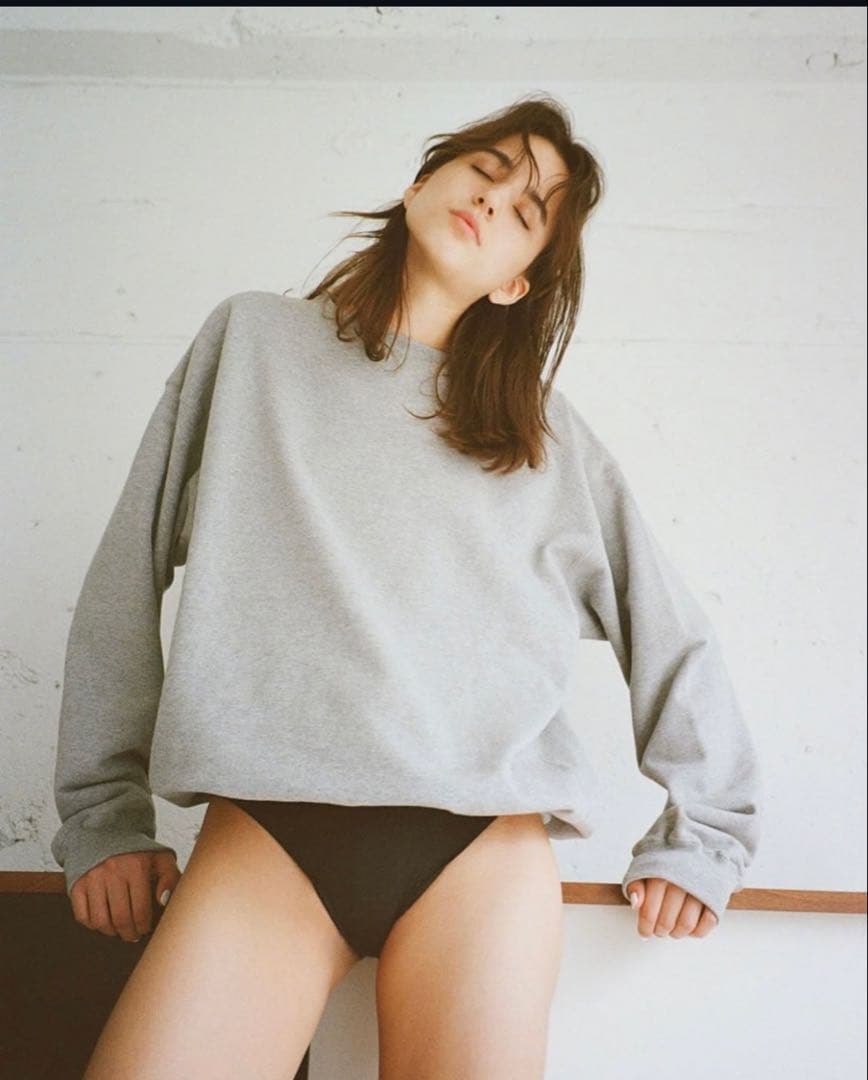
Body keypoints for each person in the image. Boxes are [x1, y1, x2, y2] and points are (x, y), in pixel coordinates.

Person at [51, 93, 762, 1079]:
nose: (494, 199)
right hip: (268, 837)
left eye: (527, 210)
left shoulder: (545, 441)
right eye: (487, 169)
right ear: (423, 181)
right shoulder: (251, 343)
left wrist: (706, 836)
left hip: (479, 854)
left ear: (516, 282)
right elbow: (124, 574)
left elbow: (670, 631)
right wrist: (104, 815)